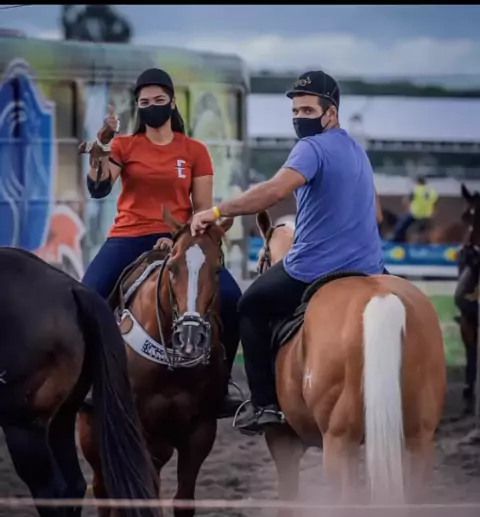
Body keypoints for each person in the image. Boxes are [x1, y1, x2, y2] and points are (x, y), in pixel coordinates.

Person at [190, 70, 385, 435]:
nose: (299, 118)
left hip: (315, 267)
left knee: (249, 305)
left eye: (307, 110)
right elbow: (376, 214)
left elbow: (274, 192)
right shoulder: (358, 151)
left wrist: (216, 211)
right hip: (371, 268)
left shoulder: (311, 148)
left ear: (331, 113)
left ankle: (264, 404)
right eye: (295, 111)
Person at [82, 67, 242, 418]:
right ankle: (87, 382)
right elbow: (99, 186)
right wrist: (102, 145)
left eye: (158, 99)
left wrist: (178, 239)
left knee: (233, 299)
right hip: (128, 236)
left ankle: (223, 384)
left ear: (172, 102)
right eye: (144, 102)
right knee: (88, 295)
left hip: (181, 239)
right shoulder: (125, 146)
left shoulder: (195, 150)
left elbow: (202, 209)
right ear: (138, 108)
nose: (152, 106)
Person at [391, 176, 439, 242]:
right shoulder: (432, 191)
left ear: (418, 182)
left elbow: (407, 201)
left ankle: (398, 240)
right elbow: (435, 204)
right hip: (428, 215)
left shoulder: (416, 190)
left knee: (401, 224)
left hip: (416, 214)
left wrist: (408, 208)